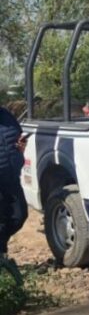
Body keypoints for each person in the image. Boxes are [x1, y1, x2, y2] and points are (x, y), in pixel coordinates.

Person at [0, 106, 28, 260]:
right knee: (2, 219)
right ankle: (2, 258)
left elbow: (16, 136)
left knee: (19, 215)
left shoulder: (6, 115)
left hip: (11, 176)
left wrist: (21, 147)